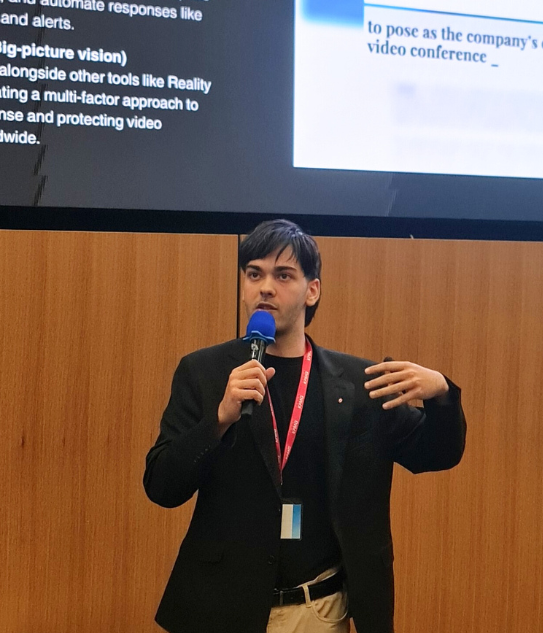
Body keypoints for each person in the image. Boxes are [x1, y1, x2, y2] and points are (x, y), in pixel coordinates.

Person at [145, 219, 466, 633]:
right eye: (254, 274)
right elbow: (162, 486)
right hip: (222, 608)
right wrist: (219, 420)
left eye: (283, 275)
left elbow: (437, 454)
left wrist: (441, 393)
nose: (265, 288)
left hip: (319, 609)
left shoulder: (360, 383)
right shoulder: (204, 373)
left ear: (312, 290)